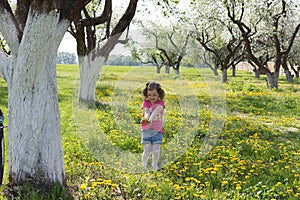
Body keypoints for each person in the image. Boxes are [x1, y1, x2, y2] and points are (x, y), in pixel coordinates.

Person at [140, 81, 165, 170]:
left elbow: (155, 112)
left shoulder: (161, 104)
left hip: (157, 130)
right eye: (149, 95)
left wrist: (150, 120)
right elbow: (146, 112)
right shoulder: (146, 103)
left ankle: (154, 165)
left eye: (154, 95)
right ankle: (143, 165)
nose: (151, 97)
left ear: (159, 94)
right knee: (147, 149)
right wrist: (146, 120)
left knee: (156, 149)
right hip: (147, 130)